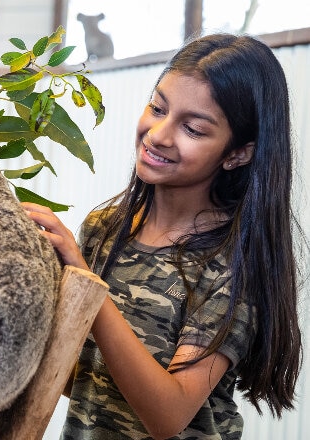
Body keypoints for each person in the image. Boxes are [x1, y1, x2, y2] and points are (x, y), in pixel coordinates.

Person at [24, 33, 303, 439]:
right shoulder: (104, 229)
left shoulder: (232, 266)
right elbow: (77, 379)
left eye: (192, 128)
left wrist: (87, 284)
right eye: (157, 108)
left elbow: (167, 416)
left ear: (237, 153)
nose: (158, 134)